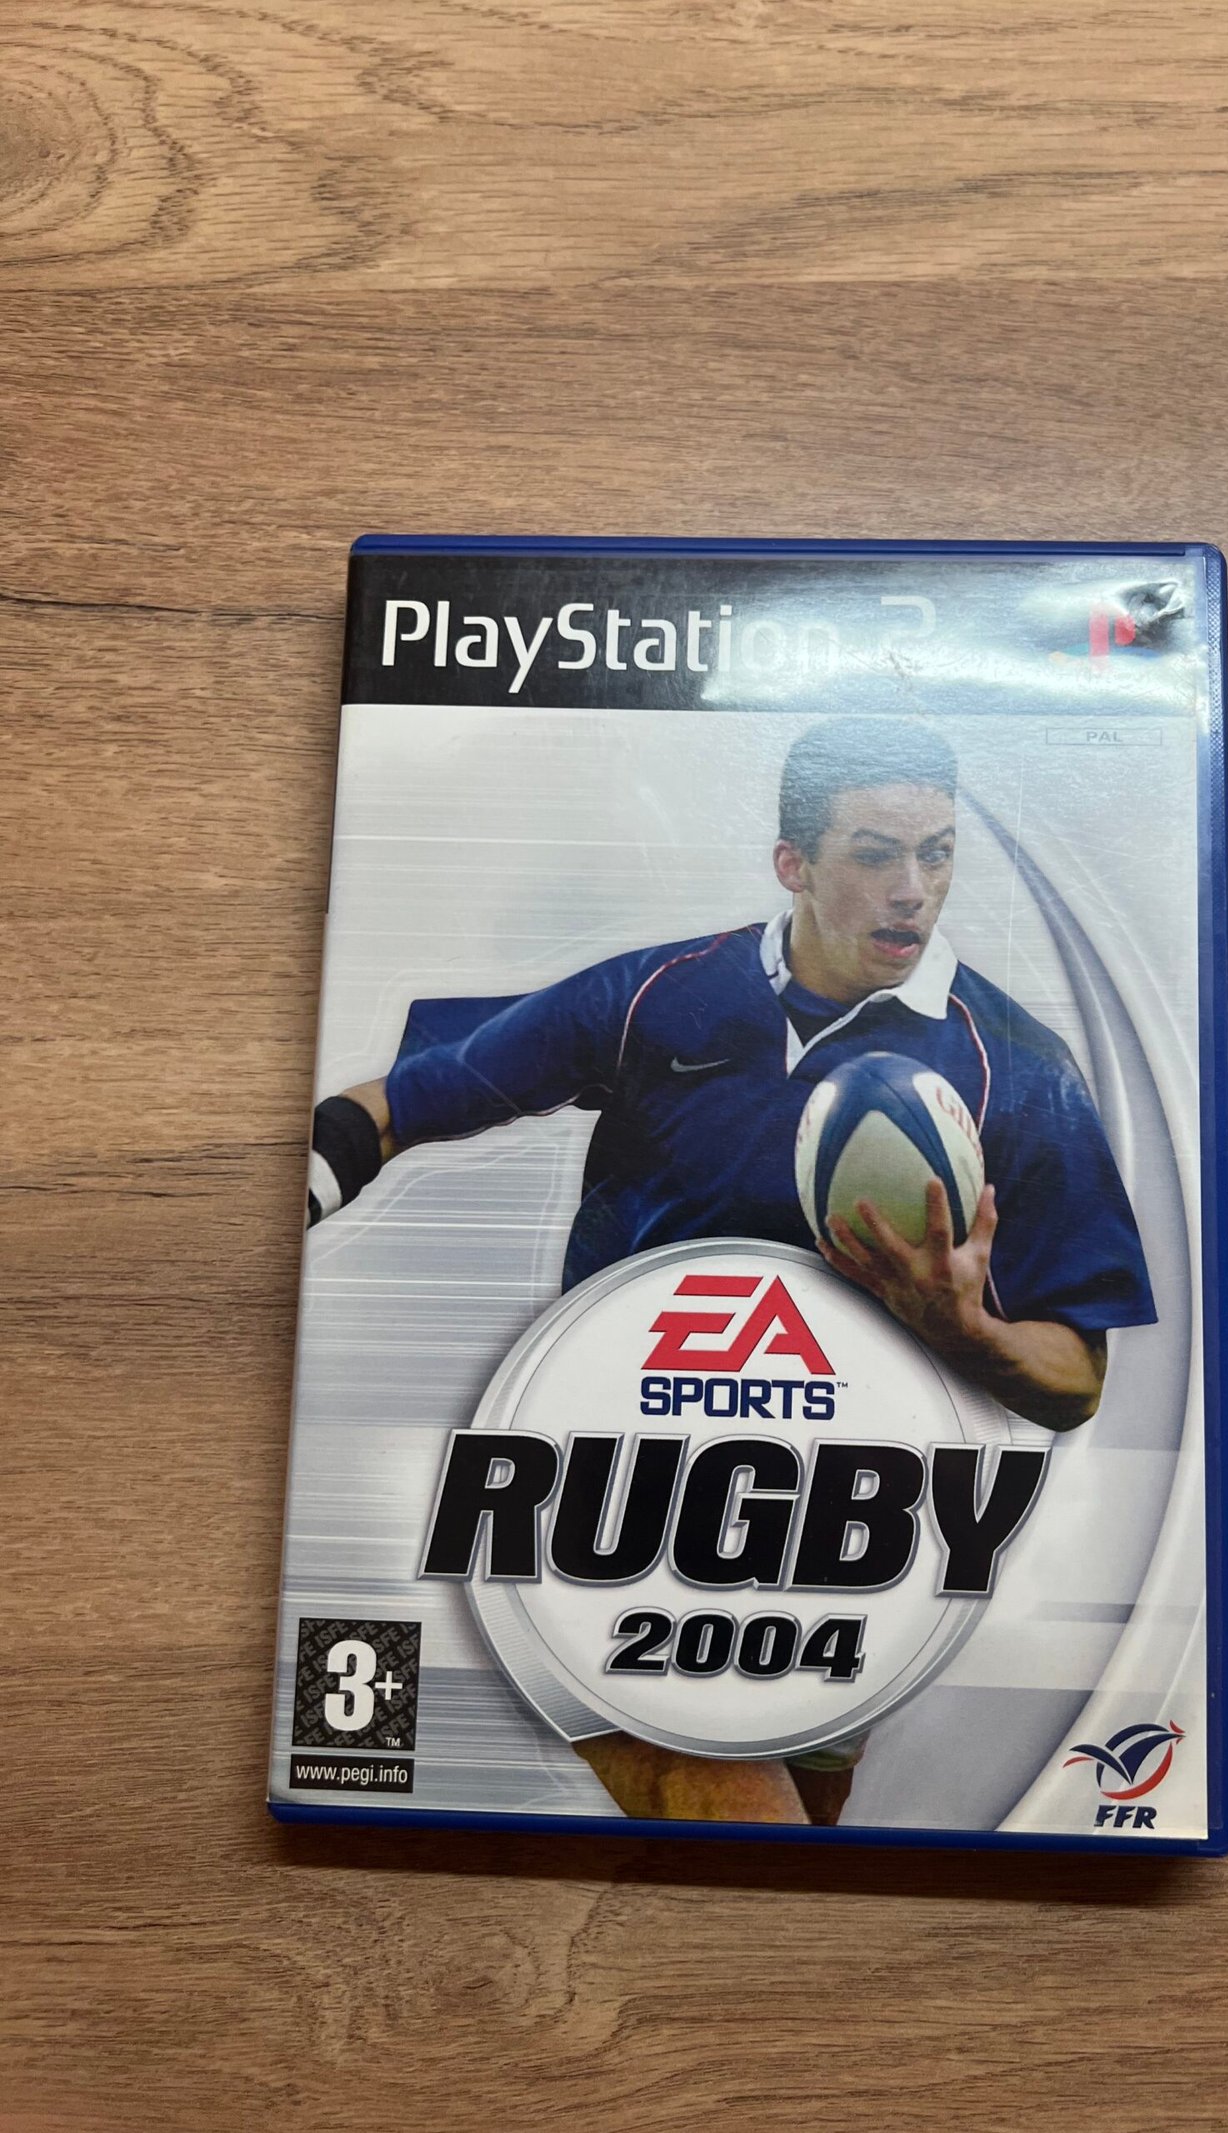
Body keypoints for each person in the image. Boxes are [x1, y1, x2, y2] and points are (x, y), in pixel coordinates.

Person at [306, 716, 1155, 1825]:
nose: (913, 890)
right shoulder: (655, 997)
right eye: (875, 855)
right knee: (737, 1817)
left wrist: (965, 1331)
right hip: (612, 1494)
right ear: (792, 864)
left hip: (847, 1526)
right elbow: (386, 1110)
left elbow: (1076, 1376)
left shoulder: (1019, 1071)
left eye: (937, 853)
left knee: (793, 1839)